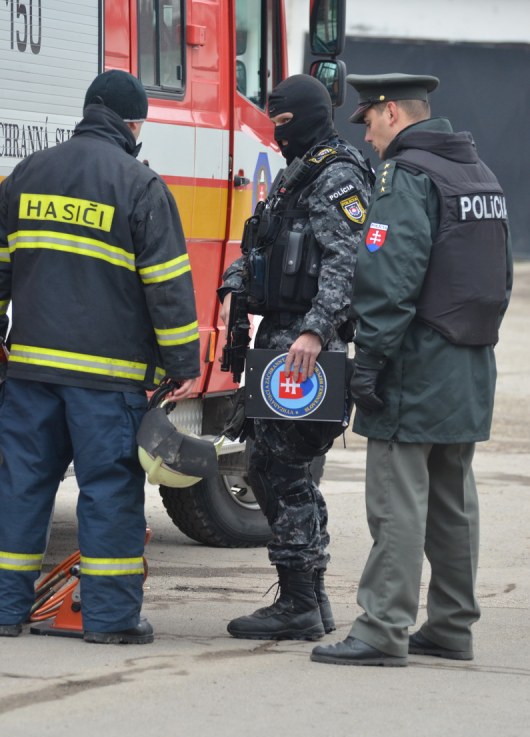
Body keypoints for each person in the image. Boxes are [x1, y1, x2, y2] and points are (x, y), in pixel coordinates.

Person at [311, 73, 513, 667]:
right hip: (469, 362)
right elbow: (499, 278)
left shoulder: (407, 176)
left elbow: (389, 278)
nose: (368, 137)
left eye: (370, 121)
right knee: (453, 501)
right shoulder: (480, 175)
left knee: (396, 499)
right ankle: (451, 625)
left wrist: (370, 359)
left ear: (393, 113)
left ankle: (381, 629)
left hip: (415, 362)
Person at [0, 70, 200, 644]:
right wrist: (184, 365)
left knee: (19, 488)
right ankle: (110, 620)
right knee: (109, 491)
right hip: (106, 381)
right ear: (133, 125)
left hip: (31, 374)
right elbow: (167, 286)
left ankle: (5, 609)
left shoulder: (26, 175)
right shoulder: (140, 185)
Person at [218, 74, 374, 641]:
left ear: (310, 116)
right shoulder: (298, 172)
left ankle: (300, 602)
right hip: (282, 337)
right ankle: (310, 597)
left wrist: (314, 330)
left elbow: (346, 262)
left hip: (308, 347)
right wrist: (236, 280)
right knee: (274, 466)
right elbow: (265, 244)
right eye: (274, 123)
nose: (279, 133)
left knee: (279, 468)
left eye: (285, 123)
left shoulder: (337, 173)